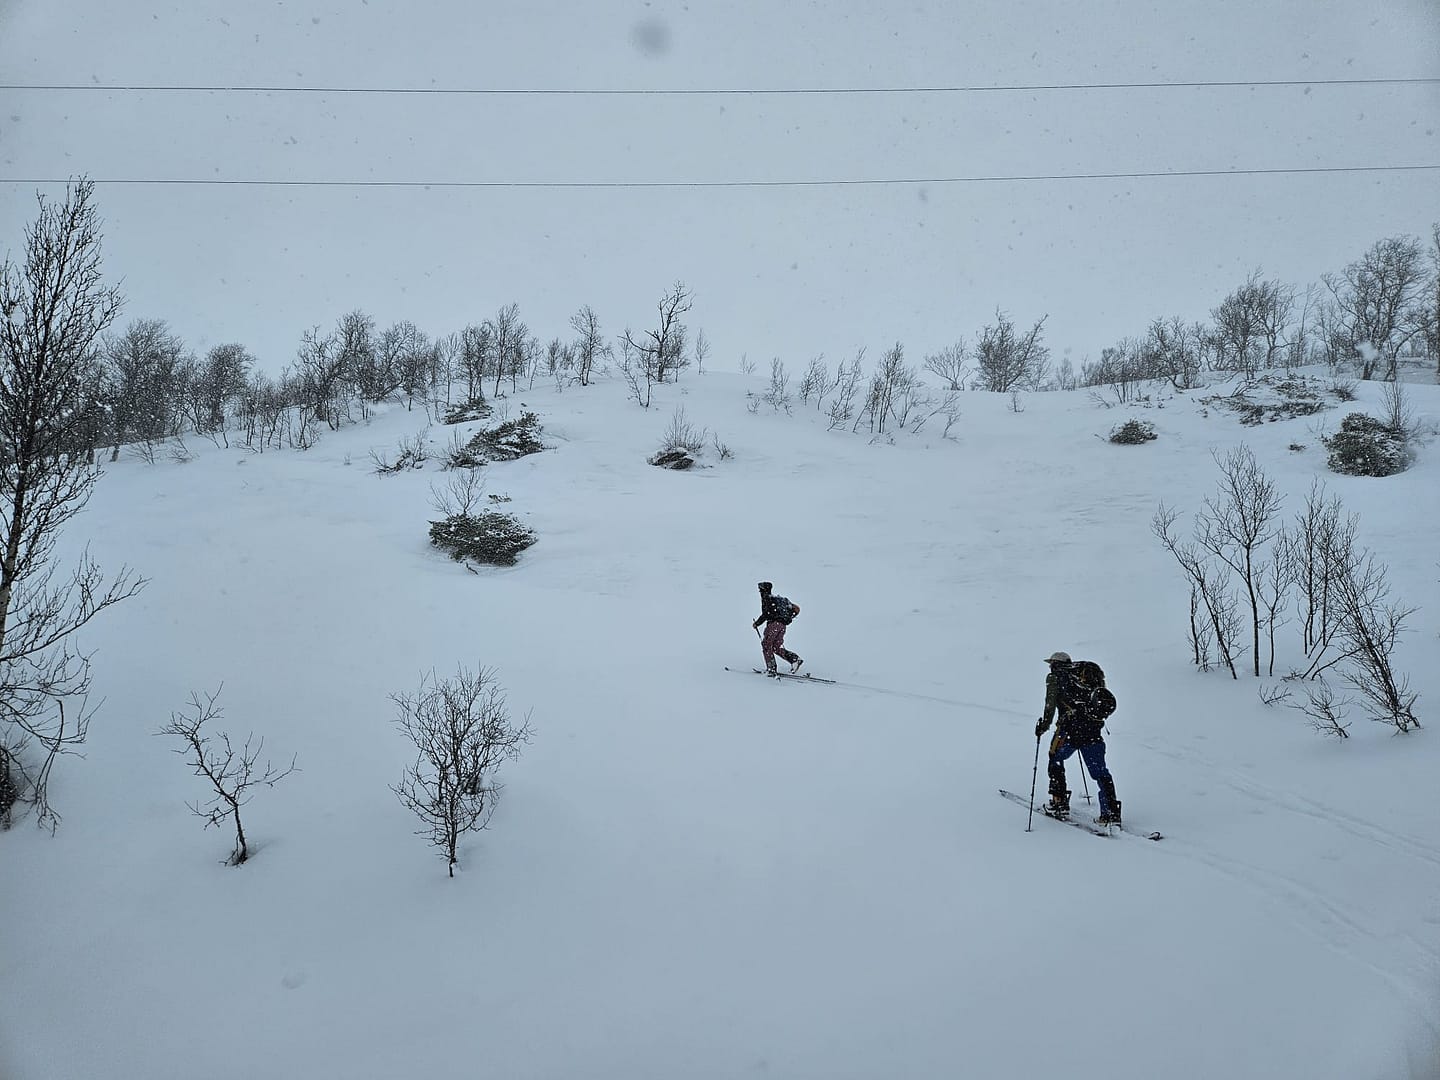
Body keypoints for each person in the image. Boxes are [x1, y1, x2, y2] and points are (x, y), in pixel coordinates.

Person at [1035, 650, 1122, 825]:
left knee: (1055, 759)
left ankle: (1059, 802)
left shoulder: (1055, 678)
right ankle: (1111, 813)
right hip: (1092, 731)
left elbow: (1050, 706)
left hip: (1069, 731)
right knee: (1100, 772)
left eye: (1051, 664)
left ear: (1055, 664)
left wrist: (1043, 726)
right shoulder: (1086, 675)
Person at [752, 581, 802, 677]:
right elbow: (797, 609)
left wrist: (756, 624)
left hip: (773, 625)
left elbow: (766, 614)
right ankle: (795, 659)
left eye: (760, 590)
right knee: (775, 647)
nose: (759, 592)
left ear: (764, 590)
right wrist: (788, 618)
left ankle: (771, 669)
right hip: (782, 626)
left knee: (766, 645)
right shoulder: (781, 600)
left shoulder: (767, 599)